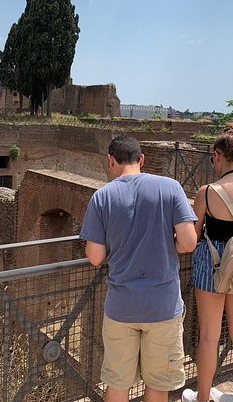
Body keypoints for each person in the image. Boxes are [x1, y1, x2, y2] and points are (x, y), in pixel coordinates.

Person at [80, 134, 198, 402]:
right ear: (141, 159)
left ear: (111, 161)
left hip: (122, 307)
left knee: (118, 383)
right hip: (163, 306)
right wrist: (167, 244)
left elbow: (95, 257)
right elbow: (189, 242)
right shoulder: (170, 187)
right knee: (158, 385)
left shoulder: (102, 197)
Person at [182, 130, 233, 402]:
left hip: (212, 263)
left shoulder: (208, 192)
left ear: (218, 156)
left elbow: (192, 237)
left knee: (208, 336)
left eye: (213, 159)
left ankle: (203, 397)